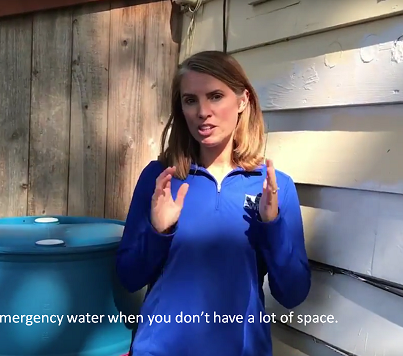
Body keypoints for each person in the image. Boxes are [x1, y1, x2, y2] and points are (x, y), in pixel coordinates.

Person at [115, 50, 311, 356]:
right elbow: (128, 277)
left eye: (216, 96)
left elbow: (293, 294)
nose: (202, 111)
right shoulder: (161, 178)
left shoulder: (274, 187)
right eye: (190, 100)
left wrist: (272, 227)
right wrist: (158, 231)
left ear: (243, 100)